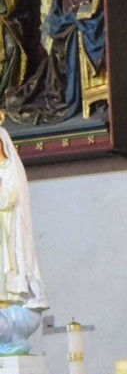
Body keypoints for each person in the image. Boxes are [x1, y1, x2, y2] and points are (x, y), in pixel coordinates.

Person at [0, 122, 48, 355]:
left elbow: (9, 197)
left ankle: (6, 302)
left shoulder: (9, 167)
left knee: (5, 265)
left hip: (5, 227)